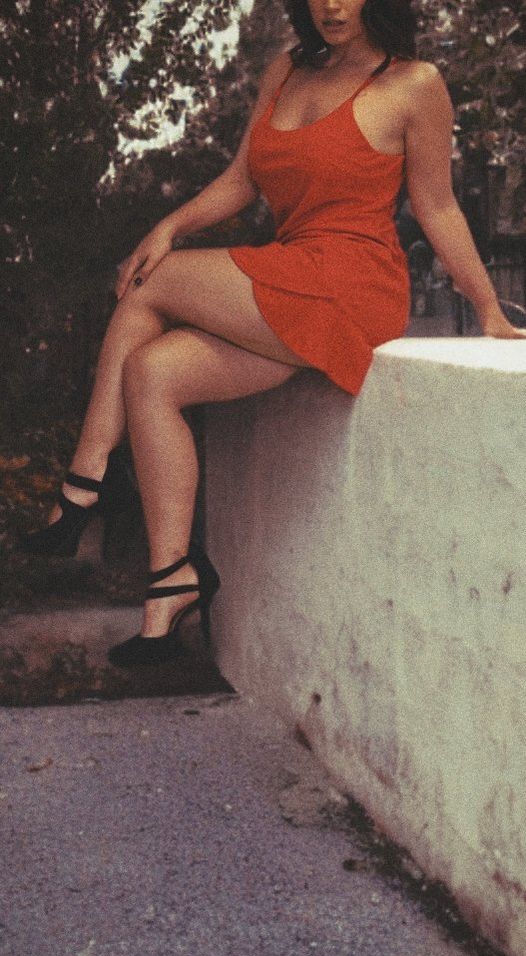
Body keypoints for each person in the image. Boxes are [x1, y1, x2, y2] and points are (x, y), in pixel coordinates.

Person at [20, 0, 526, 668]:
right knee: (152, 373)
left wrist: (488, 309)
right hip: (290, 278)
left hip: (353, 286)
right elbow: (242, 179)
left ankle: (85, 485)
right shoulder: (285, 70)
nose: (332, 5)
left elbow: (437, 205)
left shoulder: (414, 83)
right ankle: (170, 585)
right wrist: (171, 223)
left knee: (154, 282)